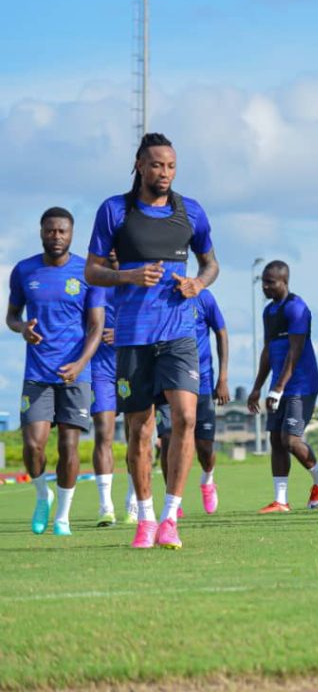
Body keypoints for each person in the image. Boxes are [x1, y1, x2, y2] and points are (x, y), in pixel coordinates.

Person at [85, 132, 220, 550]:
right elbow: (91, 271)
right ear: (140, 166)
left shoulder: (190, 212)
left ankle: (170, 518)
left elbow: (211, 263)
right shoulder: (114, 211)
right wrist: (127, 275)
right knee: (140, 431)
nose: (165, 173)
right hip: (132, 337)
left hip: (178, 334)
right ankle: (144, 517)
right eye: (158, 165)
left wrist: (198, 282)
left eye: (172, 165)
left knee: (185, 420)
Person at [7, 208, 105, 536]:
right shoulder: (24, 270)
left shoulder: (88, 272)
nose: (56, 236)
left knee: (68, 446)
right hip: (37, 373)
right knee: (33, 444)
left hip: (76, 374)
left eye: (62, 231)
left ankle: (62, 516)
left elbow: (96, 327)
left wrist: (79, 365)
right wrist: (23, 328)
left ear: (71, 234)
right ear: (41, 232)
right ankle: (41, 495)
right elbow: (11, 316)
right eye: (51, 231)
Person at [248, 261, 318, 513]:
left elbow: (296, 351)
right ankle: (281, 501)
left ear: (284, 281)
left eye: (270, 281)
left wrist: (279, 387)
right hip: (278, 385)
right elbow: (268, 351)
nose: (264, 286)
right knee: (276, 440)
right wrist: (258, 387)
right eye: (263, 281)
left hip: (301, 385)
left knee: (291, 440)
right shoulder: (268, 312)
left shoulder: (296, 308)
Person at [155, 288, 230, 513]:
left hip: (202, 381)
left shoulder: (204, 297)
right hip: (167, 379)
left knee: (204, 447)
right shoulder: (158, 294)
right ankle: (172, 500)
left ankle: (207, 481)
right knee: (168, 440)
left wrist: (223, 378)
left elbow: (222, 333)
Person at [91, 282, 118, 526]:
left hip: (135, 368)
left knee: (139, 436)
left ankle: (134, 503)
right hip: (101, 371)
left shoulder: (140, 280)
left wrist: (122, 332)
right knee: (103, 434)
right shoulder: (93, 284)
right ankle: (105, 506)